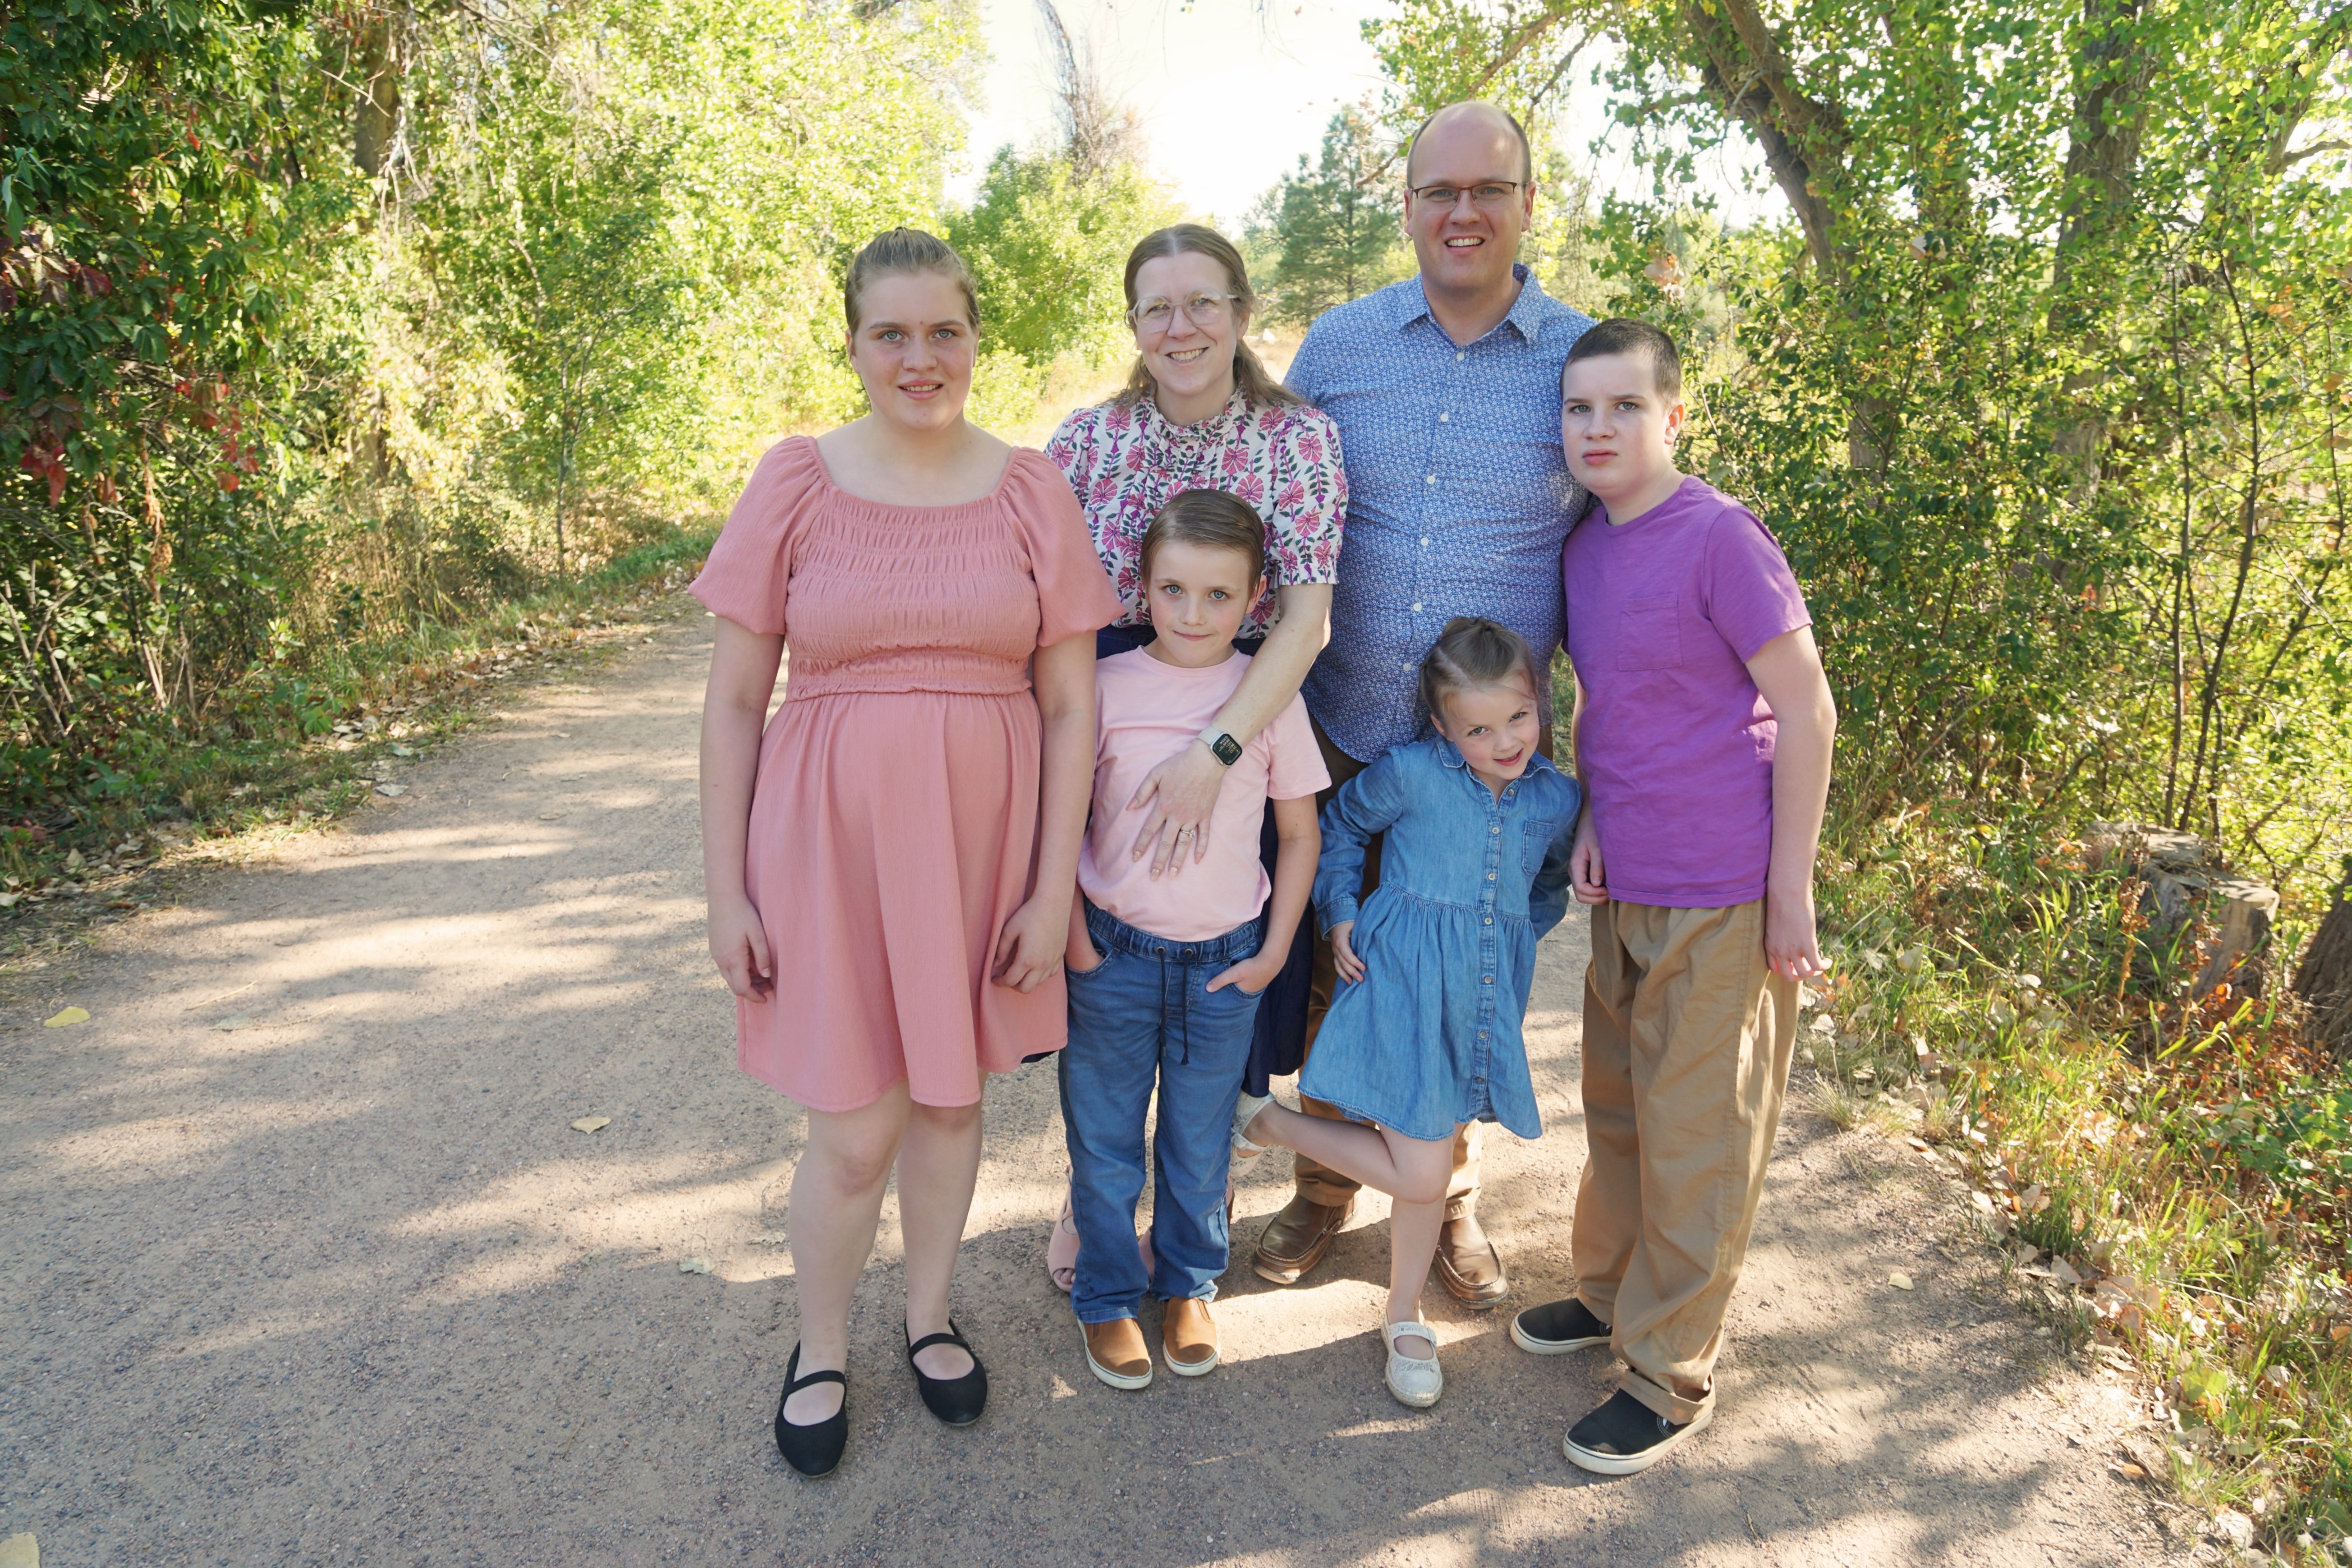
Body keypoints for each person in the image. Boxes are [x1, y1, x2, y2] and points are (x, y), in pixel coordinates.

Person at [694, 228, 1120, 1479]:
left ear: (977, 338)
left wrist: (1052, 888)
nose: (920, 357)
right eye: (892, 332)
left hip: (981, 847)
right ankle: (819, 1344)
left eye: (945, 330)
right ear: (854, 344)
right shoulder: (795, 481)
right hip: (825, 847)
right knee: (854, 1127)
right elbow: (730, 704)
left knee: (947, 1100)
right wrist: (725, 893)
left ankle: (928, 1315)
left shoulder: (1031, 488)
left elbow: (1067, 707)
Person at [1266, 100, 1594, 1304]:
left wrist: (1597, 773)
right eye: (1438, 191)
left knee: (1464, 981)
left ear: (1523, 205)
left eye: (1487, 191)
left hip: (1489, 756)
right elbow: (1273, 496)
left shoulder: (1579, 362)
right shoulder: (1340, 346)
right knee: (1335, 969)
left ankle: (1444, 1198)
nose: (1462, 213)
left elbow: (1614, 565)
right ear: (1405, 206)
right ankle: (1319, 1193)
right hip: (1344, 725)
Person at [1509, 319, 1836, 1475]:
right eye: (1578, 409)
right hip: (1627, 878)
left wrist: (1786, 890)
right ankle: (1608, 1295)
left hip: (1722, 889)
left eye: (1622, 408)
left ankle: (1666, 1373)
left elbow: (1805, 709)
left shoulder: (1720, 540)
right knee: (1620, 1111)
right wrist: (1595, 815)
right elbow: (1617, 705)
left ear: (1671, 416)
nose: (1596, 429)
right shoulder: (1585, 548)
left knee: (1697, 1137)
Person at [1041, 224, 1345, 1291]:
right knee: (1114, 975)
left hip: (1247, 698)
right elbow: (1048, 611)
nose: (1181, 328)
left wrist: (1221, 748)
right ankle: (1097, 1194)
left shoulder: (1297, 440)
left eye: (1202, 303)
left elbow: (1303, 618)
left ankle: (1197, 1204)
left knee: (1215, 956)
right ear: (1133, 325)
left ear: (1241, 311)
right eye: (1157, 308)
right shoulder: (1085, 443)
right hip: (1118, 696)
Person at [1233, 618, 1579, 1408]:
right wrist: (1342, 914)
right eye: (1479, 728)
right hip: (1399, 984)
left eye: (1519, 718)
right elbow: (1342, 827)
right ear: (1442, 725)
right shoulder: (1412, 774)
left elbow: (1548, 882)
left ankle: (1404, 1312)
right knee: (1424, 1167)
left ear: (1542, 703)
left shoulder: (1557, 795)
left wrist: (1521, 934)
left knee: (1433, 1143)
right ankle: (1267, 1125)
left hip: (1478, 1001)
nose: (1504, 741)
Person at [1060, 491, 1326, 1391]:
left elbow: (1300, 836)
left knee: (1198, 1140)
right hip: (1114, 958)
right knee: (1102, 1142)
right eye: (1173, 590)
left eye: (1220, 596)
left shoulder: (1265, 701)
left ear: (1257, 602)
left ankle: (1185, 1285)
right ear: (1142, 588)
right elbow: (1056, 822)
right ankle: (1105, 1294)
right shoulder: (1104, 685)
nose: (1193, 614)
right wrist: (1073, 939)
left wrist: (1276, 948)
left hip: (1225, 966)